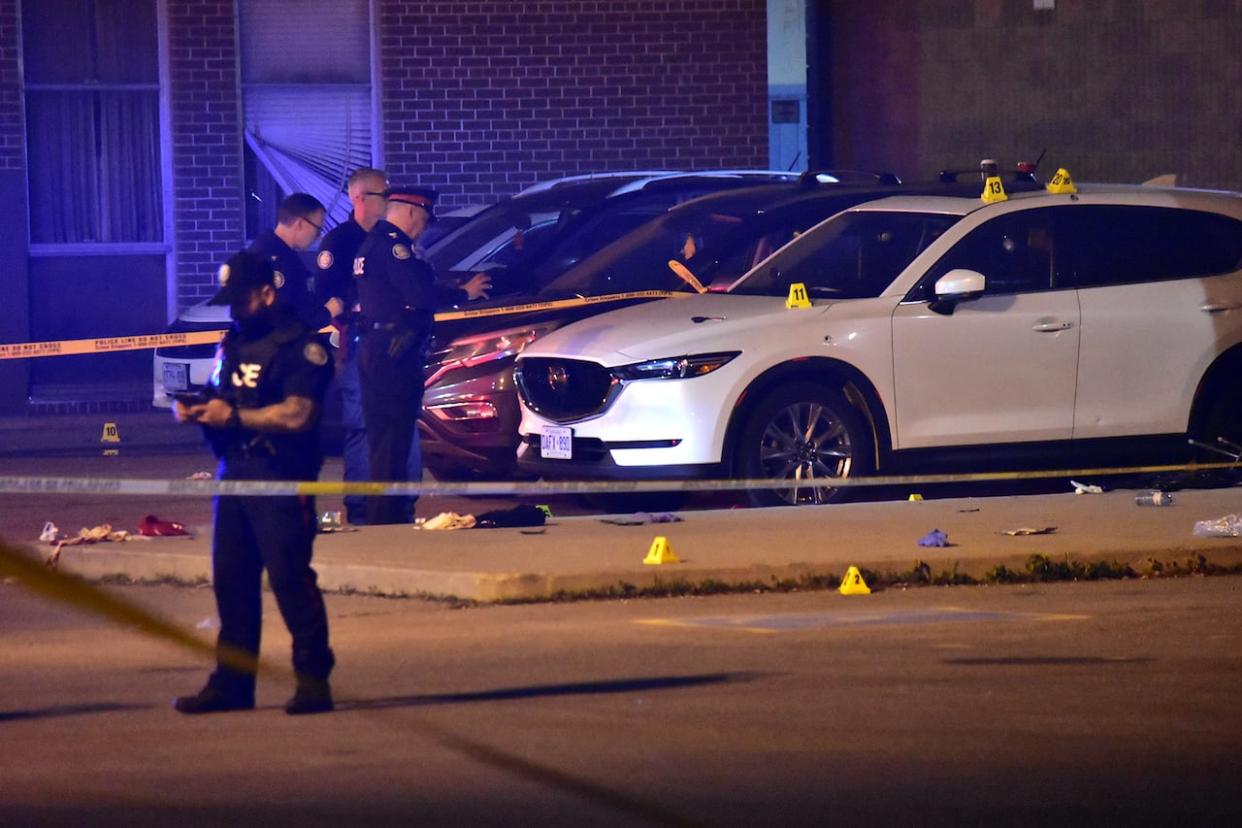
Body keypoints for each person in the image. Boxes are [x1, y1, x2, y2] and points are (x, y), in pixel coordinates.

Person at [172, 250, 336, 716]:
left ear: (266, 293)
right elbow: (220, 393)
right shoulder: (234, 342)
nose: (234, 309)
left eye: (241, 300)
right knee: (232, 582)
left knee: (290, 579)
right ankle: (232, 685)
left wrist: (236, 416)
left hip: (280, 475)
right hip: (236, 475)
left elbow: (298, 413)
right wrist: (197, 408)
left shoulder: (300, 347)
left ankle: (312, 680)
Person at [354, 187, 491, 524]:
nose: (423, 228)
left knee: (385, 436)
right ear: (413, 213)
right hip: (394, 351)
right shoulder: (394, 247)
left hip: (380, 346)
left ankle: (383, 512)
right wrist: (462, 292)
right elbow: (419, 294)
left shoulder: (374, 242)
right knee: (393, 437)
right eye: (425, 220)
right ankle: (386, 516)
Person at [316, 169, 419, 525]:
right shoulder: (340, 242)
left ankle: (402, 502)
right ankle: (363, 504)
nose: (389, 200)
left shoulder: (392, 240)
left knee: (401, 424)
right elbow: (327, 296)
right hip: (360, 342)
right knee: (362, 424)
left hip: (395, 343)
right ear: (358, 198)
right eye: (382, 194)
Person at [251, 192, 344, 331]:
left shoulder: (280, 253)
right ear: (300, 223)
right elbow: (287, 319)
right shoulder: (272, 261)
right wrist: (327, 312)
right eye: (317, 230)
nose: (318, 238)